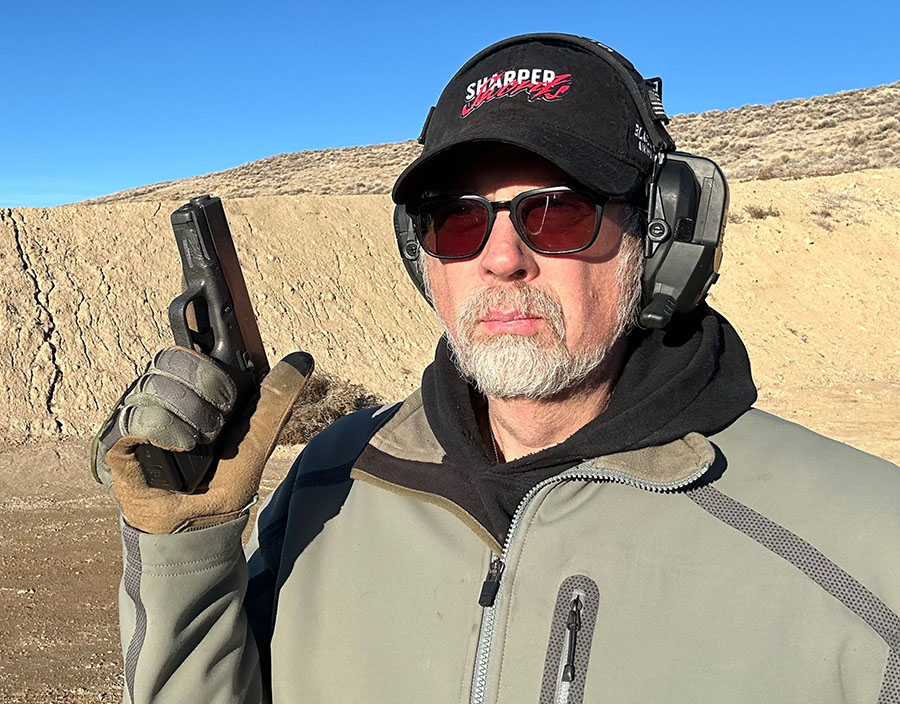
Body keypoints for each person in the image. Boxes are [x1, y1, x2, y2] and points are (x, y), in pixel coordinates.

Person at [93, 33, 900, 704]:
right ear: (420, 257)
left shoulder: (868, 555)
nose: (502, 258)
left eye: (558, 211)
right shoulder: (332, 479)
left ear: (662, 237)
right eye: (455, 220)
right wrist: (182, 558)